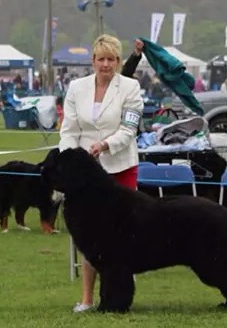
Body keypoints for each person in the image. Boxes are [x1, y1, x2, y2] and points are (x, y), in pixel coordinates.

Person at [59, 34, 144, 313]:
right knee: (88, 234)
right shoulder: (76, 88)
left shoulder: (131, 88)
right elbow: (69, 130)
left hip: (119, 166)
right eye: (100, 59)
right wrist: (70, 161)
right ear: (92, 61)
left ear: (119, 61)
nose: (105, 64)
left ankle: (118, 297)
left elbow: (129, 129)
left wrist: (105, 145)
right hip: (85, 177)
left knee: (121, 237)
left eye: (111, 59)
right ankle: (86, 298)